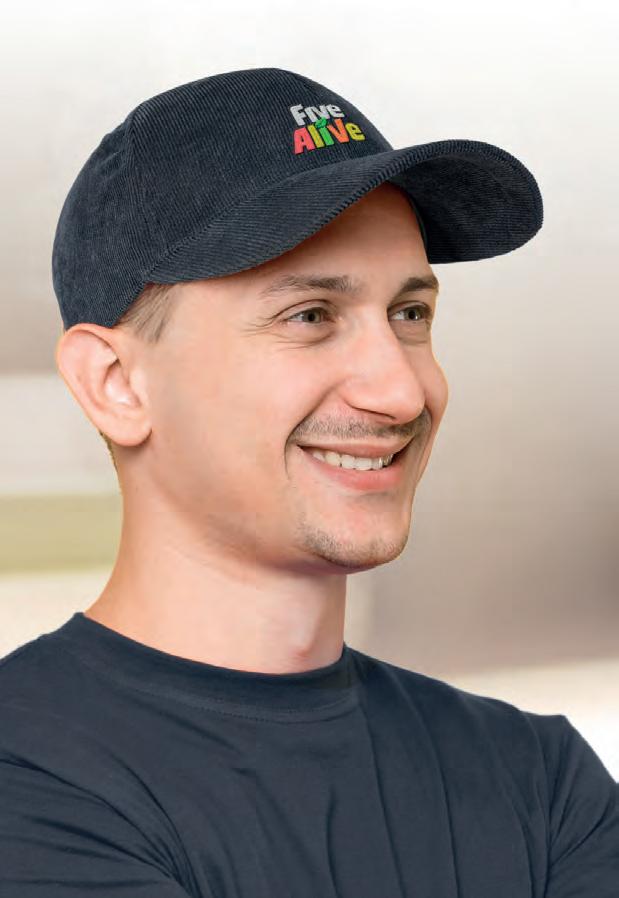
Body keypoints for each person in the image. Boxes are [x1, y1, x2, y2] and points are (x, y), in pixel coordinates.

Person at [0, 67, 616, 897]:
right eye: (310, 316)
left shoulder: (541, 781)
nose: (400, 392)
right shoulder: (27, 776)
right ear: (116, 384)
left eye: (409, 315)